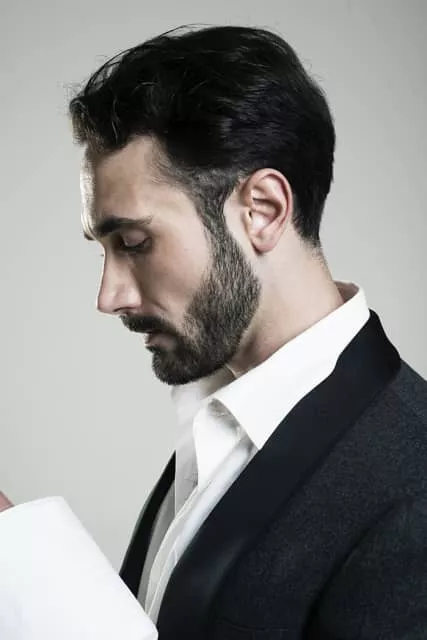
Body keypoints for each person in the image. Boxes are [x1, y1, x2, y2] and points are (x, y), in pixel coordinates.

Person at [4, 24, 427, 639]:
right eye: (103, 249)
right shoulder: (223, 422)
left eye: (135, 242)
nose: (108, 296)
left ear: (263, 210)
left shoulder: (413, 488)